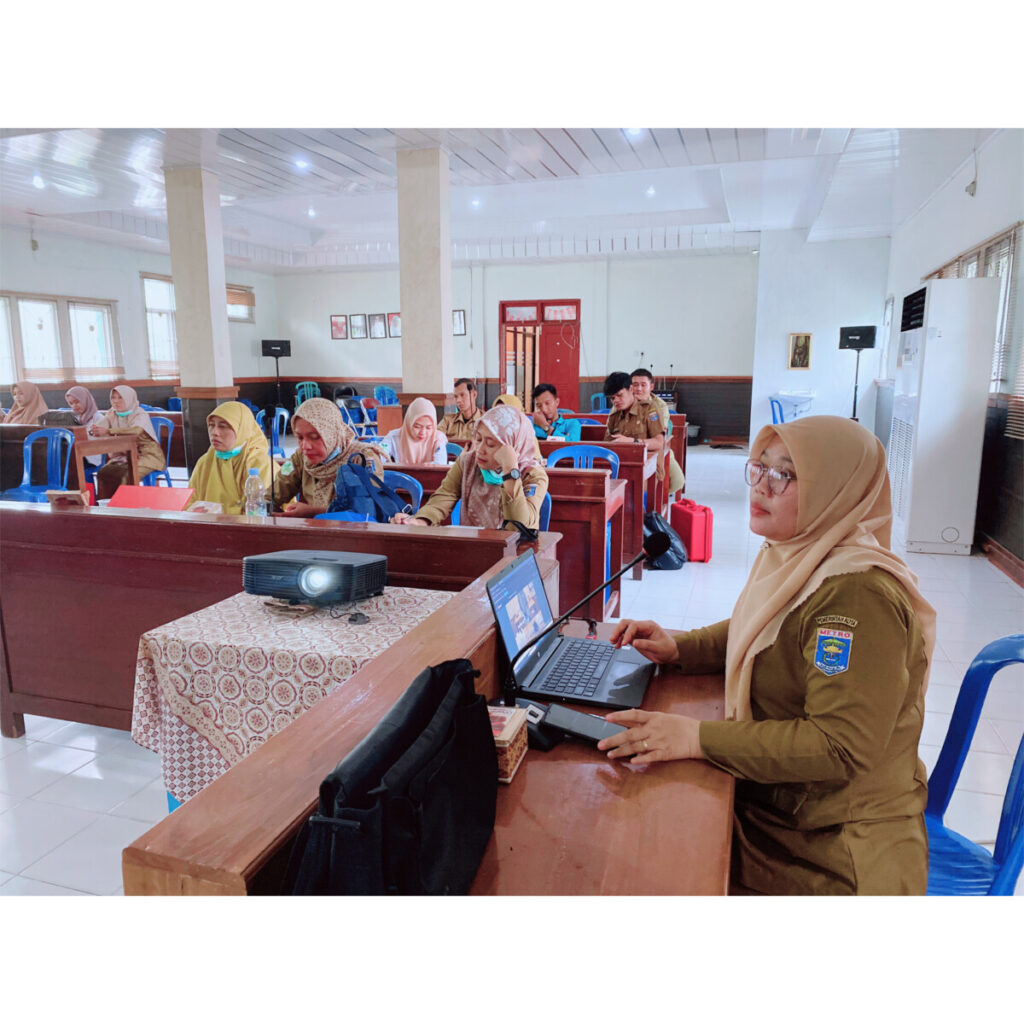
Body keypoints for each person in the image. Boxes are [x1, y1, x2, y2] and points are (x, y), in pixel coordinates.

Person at [599, 415, 936, 896]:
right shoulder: (800, 551)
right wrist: (680, 648)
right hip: (784, 811)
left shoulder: (857, 595)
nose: (761, 486)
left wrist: (697, 737)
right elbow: (763, 628)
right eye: (758, 468)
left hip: (834, 849)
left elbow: (838, 745)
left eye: (785, 475)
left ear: (835, 490)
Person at [389, 405, 548, 531]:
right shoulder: (468, 462)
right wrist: (420, 521)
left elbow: (520, 526)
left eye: (490, 444)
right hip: (476, 547)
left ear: (513, 446)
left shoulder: (533, 475)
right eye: (478, 439)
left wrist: (510, 470)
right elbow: (444, 497)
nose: (480, 449)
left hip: (517, 554)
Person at [273, 397, 387, 517]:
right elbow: (273, 496)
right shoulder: (301, 458)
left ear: (332, 434)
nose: (305, 446)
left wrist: (313, 512)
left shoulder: (362, 457)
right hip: (310, 527)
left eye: (314, 437)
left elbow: (368, 511)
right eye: (300, 437)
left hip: (350, 528)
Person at [186, 401, 272, 514]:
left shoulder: (260, 463)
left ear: (242, 429)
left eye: (222, 426)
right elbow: (189, 502)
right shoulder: (205, 461)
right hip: (207, 523)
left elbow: (259, 511)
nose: (215, 432)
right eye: (211, 425)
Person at [91, 385, 167, 499]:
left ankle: (126, 505)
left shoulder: (140, 413)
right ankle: (106, 505)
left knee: (126, 475)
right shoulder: (112, 413)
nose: (116, 401)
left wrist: (109, 431)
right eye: (113, 398)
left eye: (120, 397)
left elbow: (137, 430)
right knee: (103, 473)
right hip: (125, 456)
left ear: (129, 398)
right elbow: (101, 426)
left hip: (147, 456)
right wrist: (95, 429)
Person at [631, 367, 685, 494]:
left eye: (643, 385)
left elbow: (659, 432)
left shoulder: (659, 405)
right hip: (630, 449)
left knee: (677, 482)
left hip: (654, 448)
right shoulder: (623, 402)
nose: (639, 389)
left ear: (651, 387)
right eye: (635, 385)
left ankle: (657, 498)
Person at [379, 397, 447, 465]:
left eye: (428, 428)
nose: (423, 432)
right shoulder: (394, 437)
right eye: (417, 427)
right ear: (409, 422)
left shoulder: (437, 438)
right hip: (402, 472)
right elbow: (380, 453)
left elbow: (440, 463)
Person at [490, 392, 542, 458]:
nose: (499, 418)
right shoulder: (489, 435)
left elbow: (534, 461)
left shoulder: (527, 437)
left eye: (505, 413)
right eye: (497, 412)